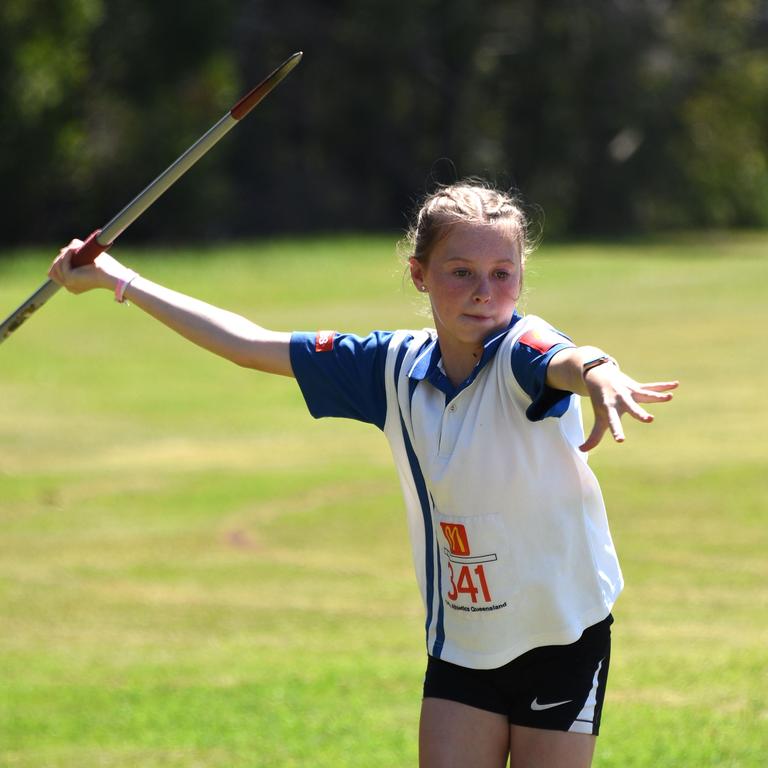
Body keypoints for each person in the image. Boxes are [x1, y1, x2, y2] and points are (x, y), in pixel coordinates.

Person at [49, 181, 678, 768]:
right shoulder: (389, 366)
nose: (484, 292)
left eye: (501, 275)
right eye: (460, 273)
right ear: (420, 275)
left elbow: (567, 358)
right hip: (464, 640)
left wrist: (601, 373)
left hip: (562, 636)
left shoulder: (521, 350)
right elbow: (248, 343)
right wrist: (116, 278)